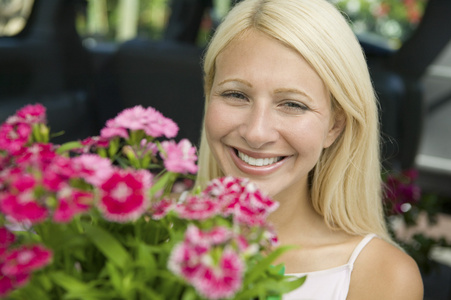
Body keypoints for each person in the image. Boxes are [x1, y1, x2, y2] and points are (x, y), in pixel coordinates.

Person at [193, 0, 424, 299]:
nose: (256, 133)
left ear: (334, 125)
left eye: (292, 104)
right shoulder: (152, 233)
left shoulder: (382, 278)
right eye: (236, 94)